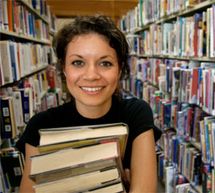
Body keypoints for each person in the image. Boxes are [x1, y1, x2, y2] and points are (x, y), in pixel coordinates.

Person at [16, 15, 161, 193]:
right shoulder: (40, 126)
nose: (91, 75)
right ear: (64, 69)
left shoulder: (137, 114)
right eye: (78, 63)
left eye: (105, 63)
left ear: (119, 70)